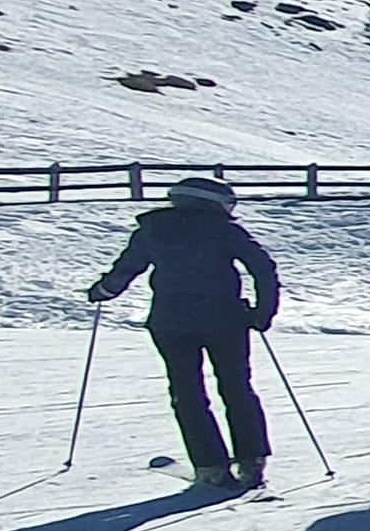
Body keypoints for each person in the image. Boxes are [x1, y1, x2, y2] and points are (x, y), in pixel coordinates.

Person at [87, 174, 282, 488]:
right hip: (225, 320)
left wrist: (103, 291)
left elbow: (126, 269)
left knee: (187, 392)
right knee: (237, 388)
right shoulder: (224, 230)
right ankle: (252, 462)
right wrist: (262, 313)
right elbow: (263, 268)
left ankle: (210, 466)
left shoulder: (152, 230)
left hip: (170, 321)